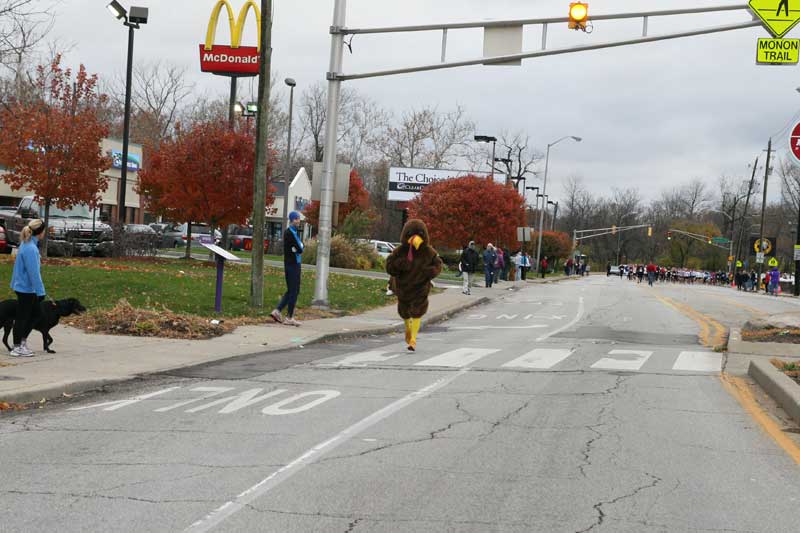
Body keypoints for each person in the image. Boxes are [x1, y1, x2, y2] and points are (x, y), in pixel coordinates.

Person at [386, 218, 443, 351]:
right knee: (404, 312)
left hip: (420, 288)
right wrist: (399, 264)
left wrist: (429, 272)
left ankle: (413, 339)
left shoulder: (428, 252)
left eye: (420, 234)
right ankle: (408, 329)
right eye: (412, 234)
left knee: (417, 312)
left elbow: (438, 264)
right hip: (403, 288)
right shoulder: (400, 251)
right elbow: (389, 266)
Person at [10, 219, 46, 357]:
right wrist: (41, 291)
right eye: (44, 230)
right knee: (22, 317)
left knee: (36, 314)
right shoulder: (31, 248)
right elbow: (34, 273)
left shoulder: (27, 244)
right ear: (39, 232)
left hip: (23, 287)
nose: (44, 232)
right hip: (25, 289)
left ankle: (22, 342)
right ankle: (17, 347)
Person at [271, 211, 304, 326]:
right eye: (296, 219)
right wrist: (298, 248)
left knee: (292, 290)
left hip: (295, 264)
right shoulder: (289, 233)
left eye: (299, 219)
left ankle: (277, 311)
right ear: (291, 220)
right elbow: (300, 249)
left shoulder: (295, 232)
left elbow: (300, 246)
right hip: (292, 264)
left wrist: (298, 247)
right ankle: (289, 317)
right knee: (293, 290)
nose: (298, 221)